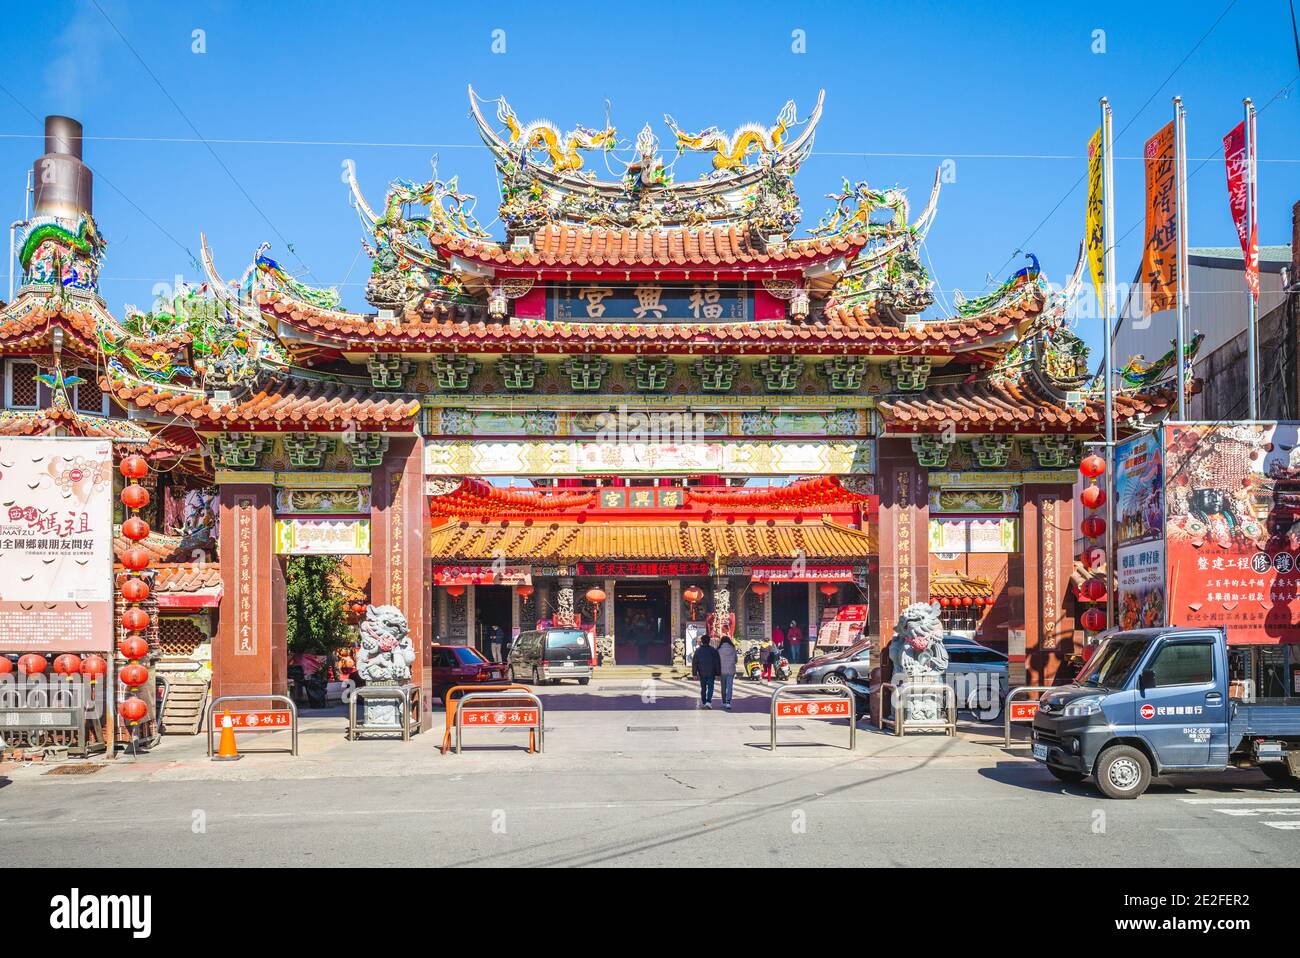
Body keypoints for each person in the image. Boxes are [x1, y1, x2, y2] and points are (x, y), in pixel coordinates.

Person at [693, 638, 721, 709]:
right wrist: (718, 673)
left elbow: (695, 663)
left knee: (703, 688)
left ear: (702, 641)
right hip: (711, 672)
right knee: (710, 687)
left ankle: (704, 701)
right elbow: (717, 662)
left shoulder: (698, 650)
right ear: (709, 641)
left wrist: (694, 673)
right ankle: (708, 702)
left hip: (701, 672)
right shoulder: (713, 650)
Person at [717, 637, 737, 710]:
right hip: (731, 670)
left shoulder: (719, 649)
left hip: (722, 671)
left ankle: (724, 701)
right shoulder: (733, 648)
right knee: (729, 687)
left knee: (723, 687)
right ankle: (728, 702)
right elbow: (736, 659)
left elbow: (717, 660)